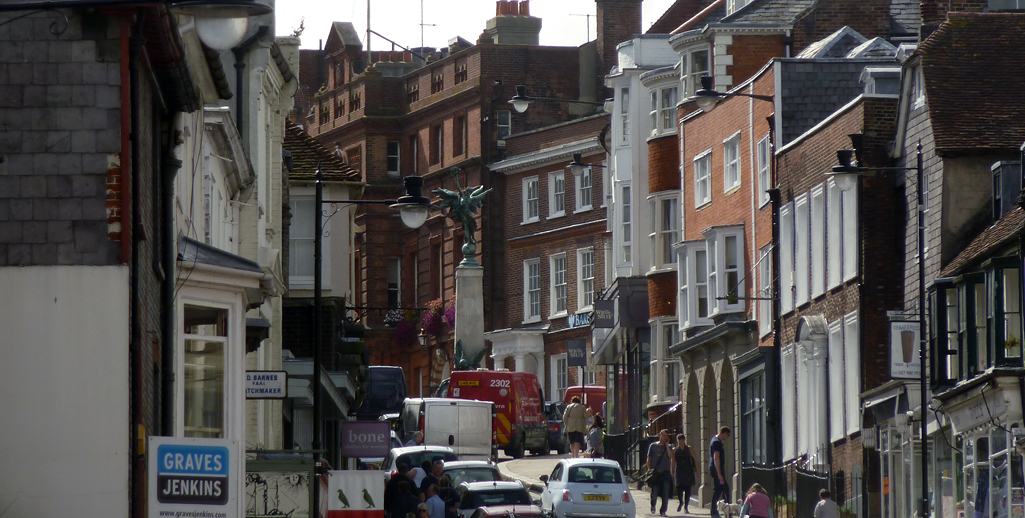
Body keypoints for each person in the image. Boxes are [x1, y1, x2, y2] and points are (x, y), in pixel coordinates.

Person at [647, 429, 675, 516]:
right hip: (656, 473)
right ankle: (653, 505)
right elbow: (649, 458)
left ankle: (663, 511)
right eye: (663, 436)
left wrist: (667, 445)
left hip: (665, 473)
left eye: (667, 436)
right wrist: (649, 469)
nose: (665, 437)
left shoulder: (669, 447)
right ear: (660, 435)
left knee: (665, 493)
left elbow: (671, 457)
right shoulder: (653, 446)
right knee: (654, 493)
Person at [672, 433, 699, 513]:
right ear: (678, 440)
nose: (681, 441)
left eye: (682, 439)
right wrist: (672, 471)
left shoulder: (689, 448)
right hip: (679, 471)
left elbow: (695, 459)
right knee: (679, 490)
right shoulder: (675, 450)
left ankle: (686, 507)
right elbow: (673, 461)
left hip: (688, 471)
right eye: (680, 439)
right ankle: (681, 503)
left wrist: (698, 470)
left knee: (688, 490)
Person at [709, 426, 732, 518]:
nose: (727, 437)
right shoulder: (716, 442)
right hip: (716, 469)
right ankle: (715, 512)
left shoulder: (715, 440)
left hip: (716, 469)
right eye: (728, 435)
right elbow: (716, 458)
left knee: (724, 489)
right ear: (724, 433)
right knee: (718, 490)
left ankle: (726, 511)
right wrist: (719, 474)